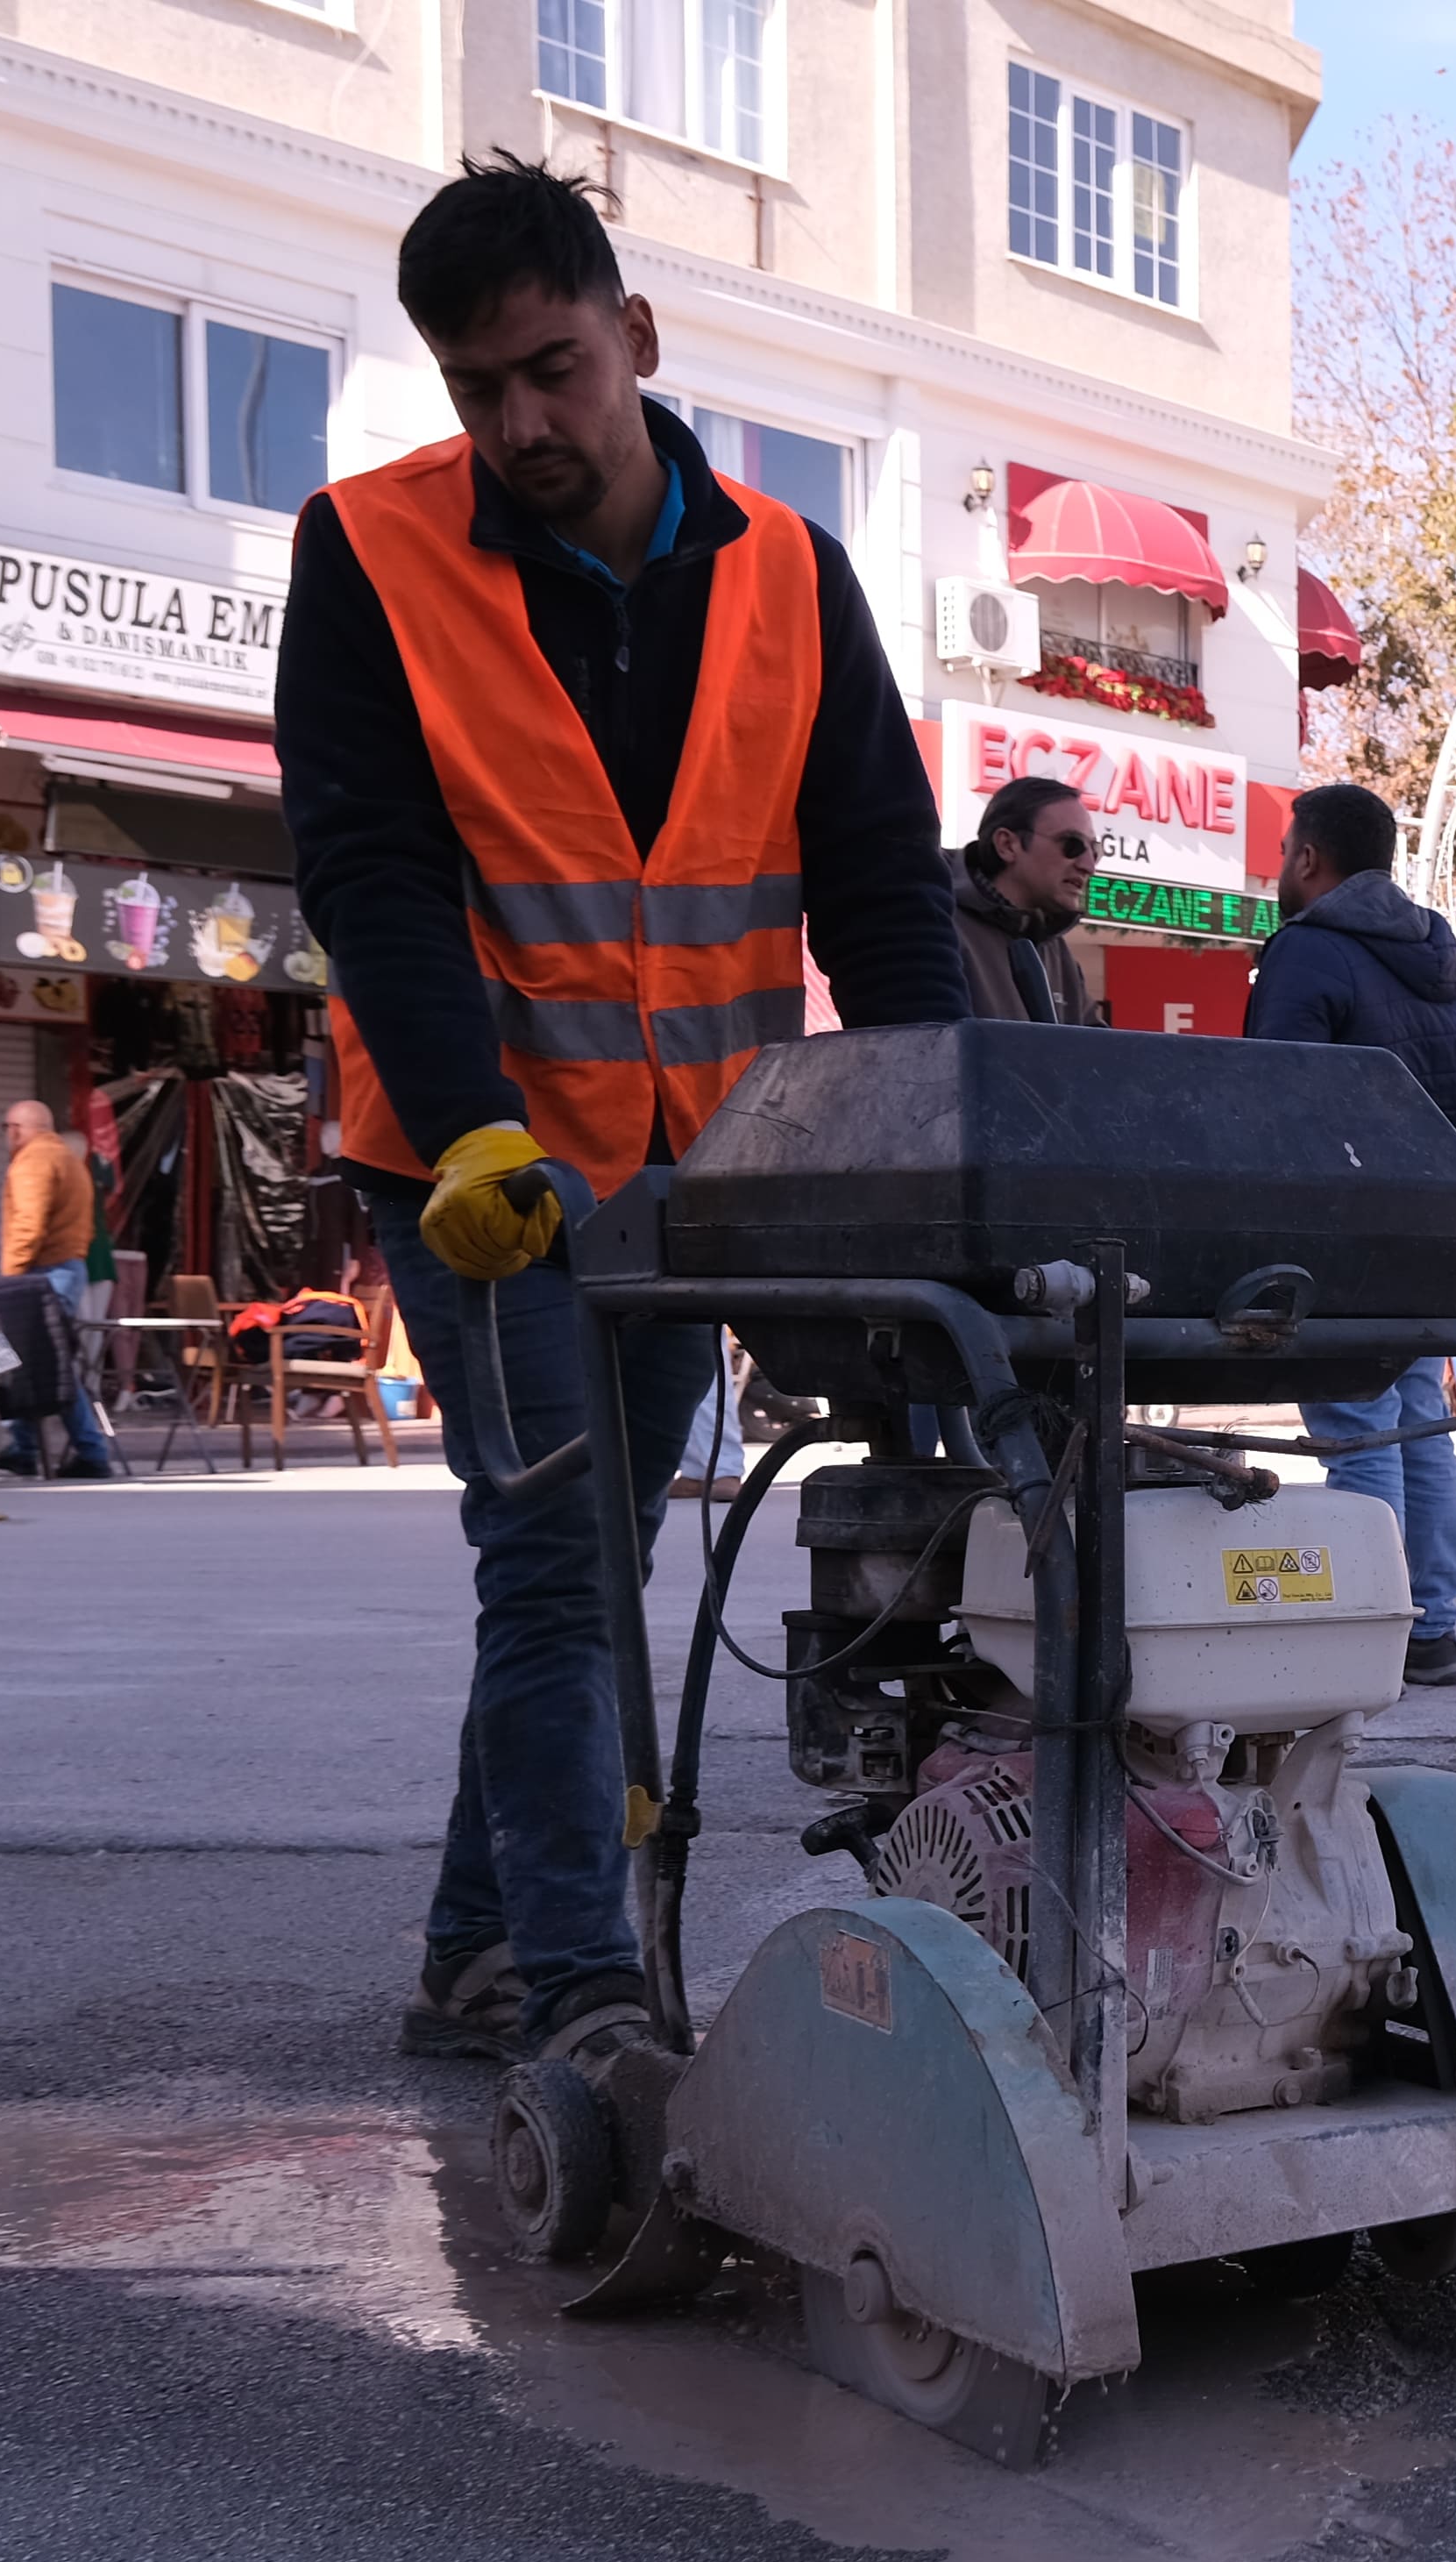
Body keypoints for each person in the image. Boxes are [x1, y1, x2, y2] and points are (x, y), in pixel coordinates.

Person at [278, 153, 962, 2079]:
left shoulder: (790, 571)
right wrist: (471, 1123)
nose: (519, 425)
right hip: (482, 1167)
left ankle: (474, 1943)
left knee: (591, 1561)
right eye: (475, 387)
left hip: (694, 1161)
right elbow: (373, 871)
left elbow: (880, 879)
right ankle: (583, 1993)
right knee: (559, 1564)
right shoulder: (369, 552)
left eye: (551, 371)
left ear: (636, 338)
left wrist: (942, 1125)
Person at [1239, 782, 1456, 1686]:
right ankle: (1431, 1627)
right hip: (1444, 1217)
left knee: (1358, 1425)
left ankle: (1372, 1624)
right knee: (1417, 1424)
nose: (1280, 870)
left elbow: (1275, 1101)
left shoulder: (1308, 948)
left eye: (1285, 853)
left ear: (1309, 858)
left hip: (1348, 1224)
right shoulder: (1431, 949)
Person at [0, 1100, 118, 1482]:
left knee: (50, 1362)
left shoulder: (33, 1161)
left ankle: (91, 1451)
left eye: (6, 1129)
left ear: (16, 1129)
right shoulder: (68, 1158)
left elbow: (28, 1226)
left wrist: (11, 1278)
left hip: (43, 1272)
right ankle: (25, 1449)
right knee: (34, 1360)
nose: (6, 1137)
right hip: (68, 1267)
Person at [953, 772, 1091, 1023]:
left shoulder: (1059, 954)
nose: (1088, 865)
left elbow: (1097, 1045)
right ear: (1007, 845)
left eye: (1095, 850)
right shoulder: (938, 927)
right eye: (1072, 844)